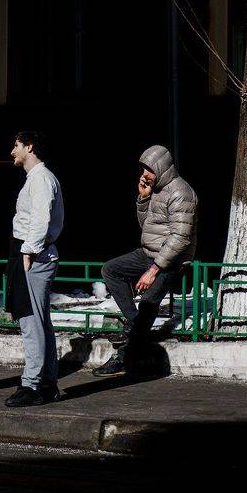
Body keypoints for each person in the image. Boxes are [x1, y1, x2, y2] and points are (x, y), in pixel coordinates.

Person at [95, 144, 198, 376]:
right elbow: (148, 228)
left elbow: (181, 238)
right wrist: (143, 200)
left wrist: (153, 270)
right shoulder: (157, 190)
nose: (144, 174)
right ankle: (135, 324)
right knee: (111, 270)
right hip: (149, 252)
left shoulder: (181, 193)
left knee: (149, 302)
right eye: (143, 169)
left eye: (149, 169)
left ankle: (124, 357)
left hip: (172, 260)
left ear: (162, 167)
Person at [4, 130, 65, 407]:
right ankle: (47, 383)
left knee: (31, 322)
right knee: (39, 322)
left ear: (29, 147)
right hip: (34, 253)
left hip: (33, 255)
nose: (12, 151)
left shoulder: (40, 178)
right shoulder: (39, 178)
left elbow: (40, 219)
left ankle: (32, 385)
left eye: (16, 145)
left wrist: (29, 250)